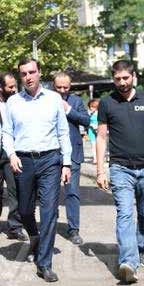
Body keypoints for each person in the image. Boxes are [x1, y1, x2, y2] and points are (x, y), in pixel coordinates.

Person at [94, 60, 144, 284]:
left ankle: (142, 248)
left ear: (133, 77)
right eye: (117, 79)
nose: (122, 83)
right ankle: (129, 262)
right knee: (124, 214)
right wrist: (100, 170)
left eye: (125, 78)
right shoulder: (107, 103)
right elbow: (101, 137)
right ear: (113, 78)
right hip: (120, 168)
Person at [2, 58, 72, 283]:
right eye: (23, 74)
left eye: (32, 72)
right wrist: (11, 154)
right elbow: (6, 133)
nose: (28, 77)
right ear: (20, 76)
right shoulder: (13, 102)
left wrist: (67, 163)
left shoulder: (53, 99)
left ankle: (45, 264)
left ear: (40, 73)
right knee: (23, 211)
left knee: (49, 211)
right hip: (23, 161)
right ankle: (34, 236)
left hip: (50, 159)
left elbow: (63, 132)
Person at [0, 72, 26, 241]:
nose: (15, 89)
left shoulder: (18, 101)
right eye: (11, 87)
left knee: (15, 190)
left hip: (12, 154)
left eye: (15, 86)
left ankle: (15, 227)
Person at [53, 72, 91, 245]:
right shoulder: (45, 99)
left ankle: (73, 229)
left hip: (73, 154)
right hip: (52, 153)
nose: (62, 91)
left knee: (72, 192)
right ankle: (50, 224)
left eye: (65, 87)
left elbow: (86, 120)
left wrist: (68, 109)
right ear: (53, 85)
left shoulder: (76, 101)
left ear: (70, 86)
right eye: (58, 87)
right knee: (49, 193)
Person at [86, 99, 100, 165]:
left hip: (98, 130)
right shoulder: (90, 113)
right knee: (93, 145)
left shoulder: (99, 113)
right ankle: (95, 159)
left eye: (93, 107)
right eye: (91, 107)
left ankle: (100, 158)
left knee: (99, 145)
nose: (91, 108)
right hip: (91, 130)